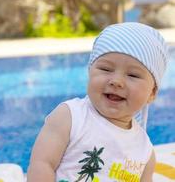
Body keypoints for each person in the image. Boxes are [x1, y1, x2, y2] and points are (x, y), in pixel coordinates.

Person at [27, 22, 169, 182]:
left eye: (133, 75)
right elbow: (42, 164)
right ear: (90, 72)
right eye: (106, 69)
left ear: (152, 93)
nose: (116, 81)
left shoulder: (145, 152)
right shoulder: (70, 117)